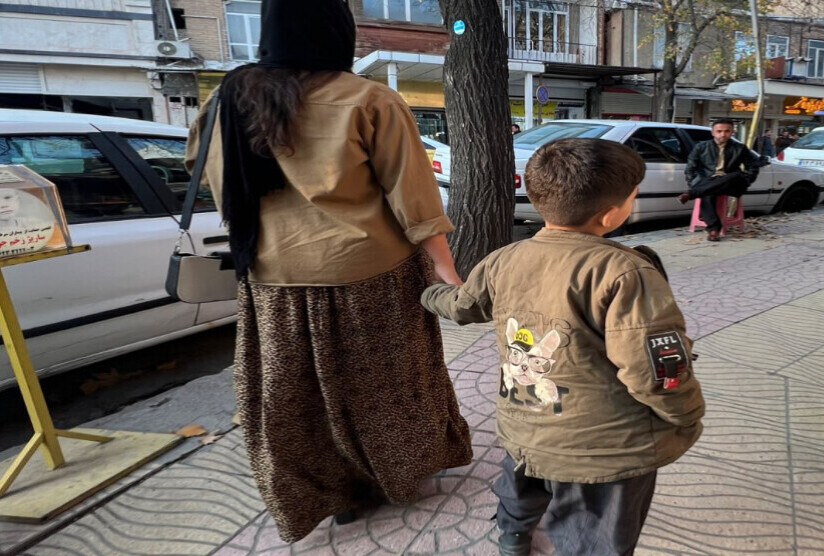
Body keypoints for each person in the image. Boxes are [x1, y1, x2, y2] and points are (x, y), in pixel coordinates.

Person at [184, 0, 472, 543]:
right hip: (373, 276)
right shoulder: (368, 99)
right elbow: (414, 199)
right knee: (388, 384)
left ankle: (328, 494)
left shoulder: (225, 100)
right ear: (336, 33)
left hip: (271, 281)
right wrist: (445, 271)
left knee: (295, 397)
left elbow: (210, 178)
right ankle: (394, 475)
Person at [421, 138, 705, 556]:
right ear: (610, 215)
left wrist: (427, 293)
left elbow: (463, 305)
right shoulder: (625, 271)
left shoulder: (504, 259)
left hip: (526, 423)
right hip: (604, 449)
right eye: (632, 196)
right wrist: (686, 414)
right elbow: (654, 370)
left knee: (522, 481)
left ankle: (513, 538)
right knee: (596, 533)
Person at [678, 119, 763, 242]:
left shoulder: (740, 148)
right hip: (709, 181)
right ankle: (713, 230)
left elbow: (753, 165)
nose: (723, 134)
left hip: (732, 183)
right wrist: (693, 183)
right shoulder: (701, 147)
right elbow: (690, 168)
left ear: (732, 132)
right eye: (719, 131)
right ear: (712, 132)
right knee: (707, 193)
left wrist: (748, 179)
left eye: (727, 131)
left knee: (737, 175)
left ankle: (692, 194)